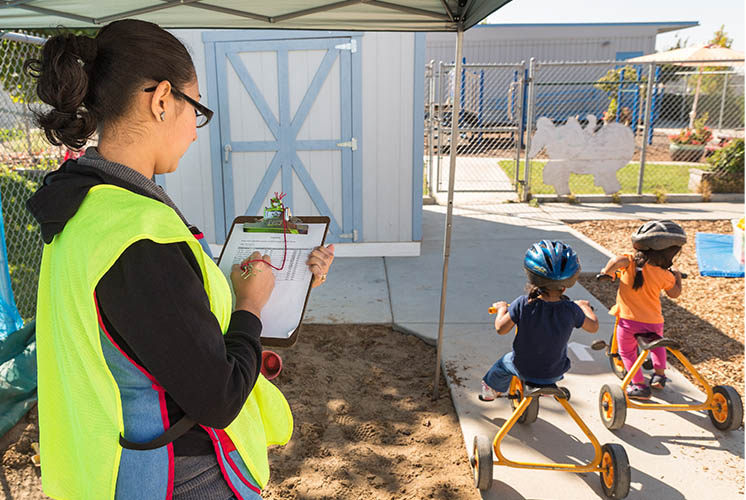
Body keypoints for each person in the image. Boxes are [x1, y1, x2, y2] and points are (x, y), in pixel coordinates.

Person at [25, 20, 334, 500]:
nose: (195, 132)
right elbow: (219, 397)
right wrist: (250, 308)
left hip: (117, 466)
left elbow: (156, 334)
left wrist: (269, 286)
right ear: (162, 99)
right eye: (198, 110)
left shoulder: (87, 209)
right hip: (184, 477)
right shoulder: (140, 238)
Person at [481, 240, 598, 401]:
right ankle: (545, 388)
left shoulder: (523, 304)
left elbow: (501, 329)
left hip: (523, 369)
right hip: (555, 372)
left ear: (532, 279)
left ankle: (490, 390)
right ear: (566, 286)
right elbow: (593, 327)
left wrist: (502, 309)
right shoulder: (571, 309)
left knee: (503, 363)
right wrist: (584, 307)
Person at [598, 220, 685, 400]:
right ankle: (660, 375)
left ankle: (638, 385)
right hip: (654, 321)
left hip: (628, 321)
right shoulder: (664, 275)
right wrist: (677, 276)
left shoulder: (629, 263)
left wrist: (607, 272)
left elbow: (616, 260)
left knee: (627, 352)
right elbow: (675, 294)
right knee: (657, 346)